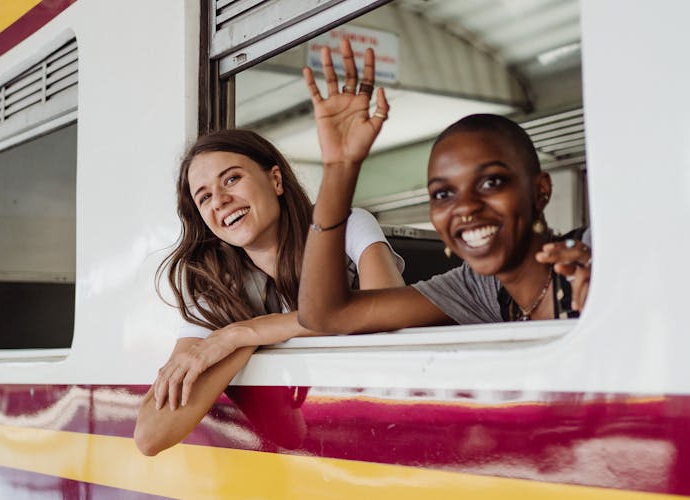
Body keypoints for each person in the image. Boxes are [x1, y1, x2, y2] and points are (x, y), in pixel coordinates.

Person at [134, 129, 405, 456]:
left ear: (275, 180)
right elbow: (151, 434)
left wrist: (244, 332)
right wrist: (244, 340)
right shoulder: (219, 290)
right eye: (204, 197)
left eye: (231, 179)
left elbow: (388, 308)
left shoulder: (343, 225)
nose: (219, 200)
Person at [297, 38, 592, 335]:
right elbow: (326, 315)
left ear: (541, 190)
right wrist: (339, 169)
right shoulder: (477, 288)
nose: (464, 206)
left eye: (491, 182)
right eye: (443, 194)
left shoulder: (596, 254)